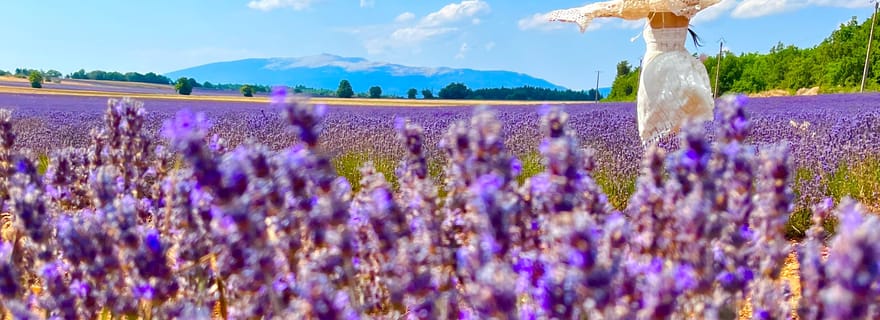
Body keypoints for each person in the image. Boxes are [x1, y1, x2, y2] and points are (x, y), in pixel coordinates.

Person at [547, 0, 720, 146]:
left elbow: (616, 8)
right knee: (685, 132)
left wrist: (583, 12)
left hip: (658, 69)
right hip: (685, 69)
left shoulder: (652, 5)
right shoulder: (687, 4)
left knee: (653, 133)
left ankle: (659, 170)